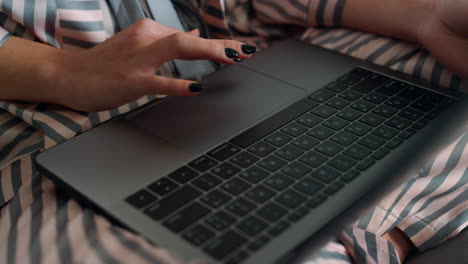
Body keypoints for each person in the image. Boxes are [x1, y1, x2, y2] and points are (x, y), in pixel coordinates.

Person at [0, 0, 466, 263]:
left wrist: (425, 16)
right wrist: (65, 71)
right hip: (74, 136)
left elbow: (239, 8)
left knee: (436, 85)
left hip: (250, 72)